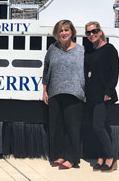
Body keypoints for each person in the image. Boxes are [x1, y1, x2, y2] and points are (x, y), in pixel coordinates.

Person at [43, 20, 85, 170]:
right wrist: (45, 90)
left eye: (66, 30)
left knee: (72, 128)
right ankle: (58, 155)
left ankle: (71, 158)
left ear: (72, 32)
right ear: (57, 33)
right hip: (55, 92)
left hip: (74, 93)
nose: (64, 33)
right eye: (61, 30)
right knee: (56, 127)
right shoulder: (52, 50)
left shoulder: (81, 50)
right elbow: (46, 69)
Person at [84, 21, 119, 172]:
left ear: (100, 32)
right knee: (99, 127)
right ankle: (100, 157)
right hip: (92, 95)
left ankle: (111, 157)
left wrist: (108, 92)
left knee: (97, 126)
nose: (91, 34)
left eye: (94, 31)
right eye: (88, 33)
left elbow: (115, 72)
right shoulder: (89, 51)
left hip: (104, 95)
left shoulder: (109, 49)